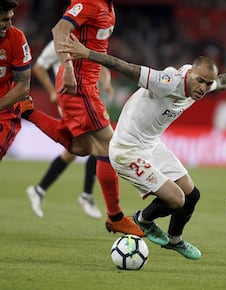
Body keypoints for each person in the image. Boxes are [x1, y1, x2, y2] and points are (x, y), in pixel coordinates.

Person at [58, 32, 226, 259]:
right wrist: (88, 54)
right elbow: (126, 67)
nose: (203, 88)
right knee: (176, 199)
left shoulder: (203, 85)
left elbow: (224, 81)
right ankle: (141, 220)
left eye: (207, 84)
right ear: (191, 74)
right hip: (127, 150)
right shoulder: (167, 82)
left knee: (192, 196)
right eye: (200, 81)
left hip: (151, 145)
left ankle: (175, 240)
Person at [20, 0, 144, 237]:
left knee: (80, 146)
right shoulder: (89, 2)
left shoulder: (109, 8)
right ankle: (115, 217)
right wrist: (67, 68)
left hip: (88, 86)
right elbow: (59, 30)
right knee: (110, 147)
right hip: (78, 86)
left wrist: (103, 74)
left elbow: (94, 46)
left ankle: (28, 111)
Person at [26, 40, 115, 219]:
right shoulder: (58, 43)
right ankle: (87, 195)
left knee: (75, 151)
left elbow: (101, 64)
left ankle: (39, 189)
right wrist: (52, 91)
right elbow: (39, 68)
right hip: (72, 100)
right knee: (100, 144)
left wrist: (105, 83)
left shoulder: (90, 39)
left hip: (90, 98)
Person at [0, 0, 32, 161]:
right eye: (4, 19)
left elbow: (23, 86)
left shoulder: (16, 38)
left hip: (4, 114)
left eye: (10, 18)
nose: (9, 24)